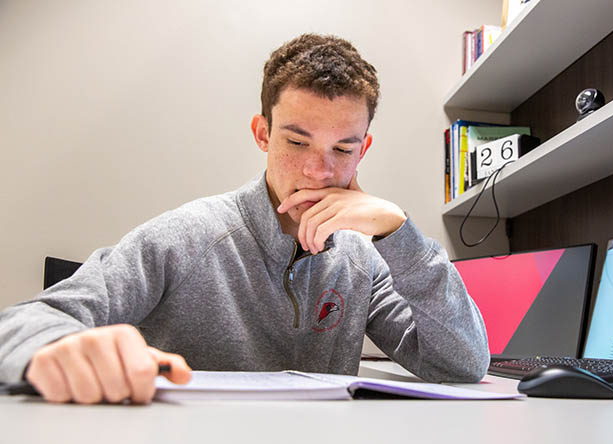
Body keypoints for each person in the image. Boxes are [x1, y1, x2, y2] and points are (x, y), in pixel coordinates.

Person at [0, 34, 489, 404]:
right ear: (263, 134)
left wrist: (399, 232)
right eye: (297, 142)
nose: (319, 171)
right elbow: (22, 323)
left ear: (364, 150)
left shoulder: (365, 259)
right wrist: (58, 348)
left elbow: (463, 364)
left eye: (343, 148)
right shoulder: (186, 238)